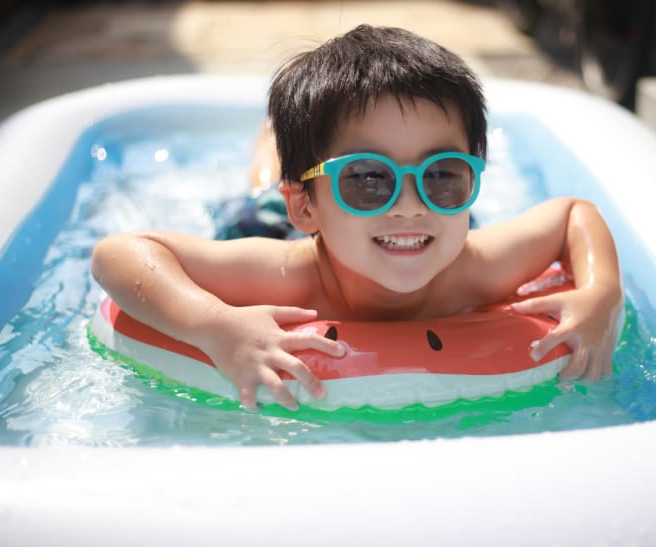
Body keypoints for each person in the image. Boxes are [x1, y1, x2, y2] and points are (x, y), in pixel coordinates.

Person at [91, 25, 623, 411]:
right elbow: (119, 254)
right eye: (367, 177)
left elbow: (574, 213)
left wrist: (600, 291)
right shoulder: (283, 272)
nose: (409, 202)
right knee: (259, 186)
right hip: (272, 218)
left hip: (369, 229)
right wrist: (212, 324)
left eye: (443, 172)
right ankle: (272, 142)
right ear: (310, 205)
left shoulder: (478, 264)